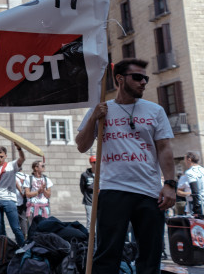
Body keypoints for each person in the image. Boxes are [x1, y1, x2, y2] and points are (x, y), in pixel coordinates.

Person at [75, 58, 175, 273]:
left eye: (145, 78)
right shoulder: (101, 109)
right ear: (120, 79)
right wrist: (94, 118)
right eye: (137, 77)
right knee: (106, 254)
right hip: (113, 191)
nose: (143, 82)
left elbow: (164, 149)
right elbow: (82, 146)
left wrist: (169, 183)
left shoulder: (155, 111)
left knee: (150, 255)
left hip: (150, 193)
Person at [185, 152, 204, 217]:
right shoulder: (203, 169)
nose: (185, 162)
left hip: (201, 205)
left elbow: (195, 191)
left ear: (189, 159)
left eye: (185, 159)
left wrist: (196, 209)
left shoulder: (190, 172)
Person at [79, 156, 96, 228]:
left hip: (100, 201)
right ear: (91, 163)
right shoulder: (85, 175)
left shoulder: (102, 173)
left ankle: (98, 238)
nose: (97, 164)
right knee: (90, 221)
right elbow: (82, 188)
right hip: (89, 201)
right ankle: (89, 237)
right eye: (95, 162)